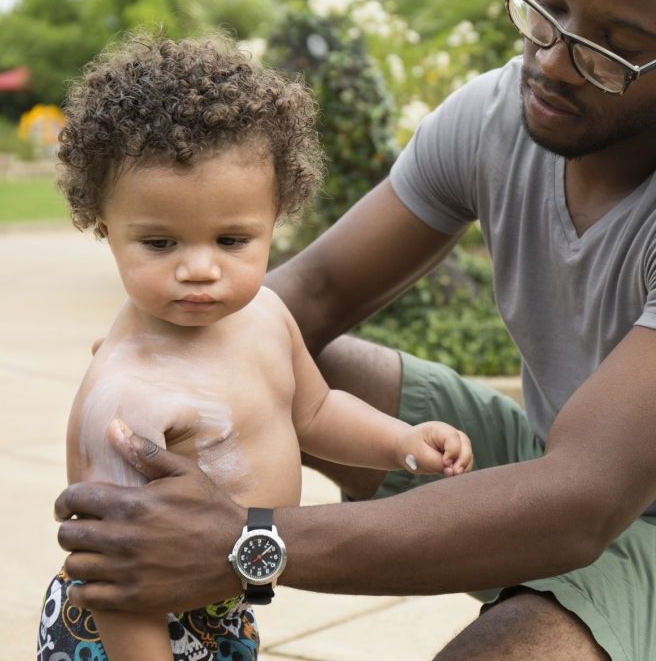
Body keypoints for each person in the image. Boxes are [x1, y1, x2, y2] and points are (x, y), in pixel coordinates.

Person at [53, 0, 656, 659]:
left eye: (613, 51)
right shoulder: (502, 112)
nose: (554, 62)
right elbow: (309, 292)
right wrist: (149, 366)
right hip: (545, 460)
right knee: (270, 345)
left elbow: (583, 502)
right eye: (549, 6)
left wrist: (247, 541)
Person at [38, 34, 473, 661]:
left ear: (276, 220)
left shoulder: (265, 314)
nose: (199, 269)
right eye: (160, 243)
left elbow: (315, 414)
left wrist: (397, 441)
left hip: (219, 597)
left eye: (232, 240)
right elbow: (113, 575)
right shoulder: (128, 397)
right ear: (105, 228)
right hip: (130, 630)